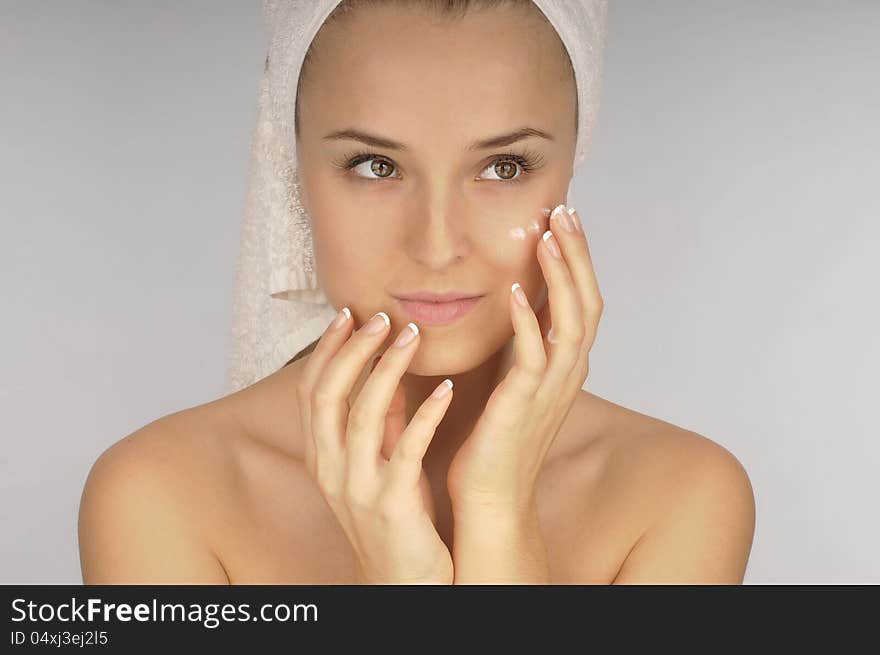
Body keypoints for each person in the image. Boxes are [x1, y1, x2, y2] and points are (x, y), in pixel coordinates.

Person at [78, 0, 755, 584]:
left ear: (571, 165)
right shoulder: (160, 495)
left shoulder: (680, 494)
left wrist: (499, 516)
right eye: (376, 166)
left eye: (503, 166)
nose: (436, 246)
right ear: (295, 176)